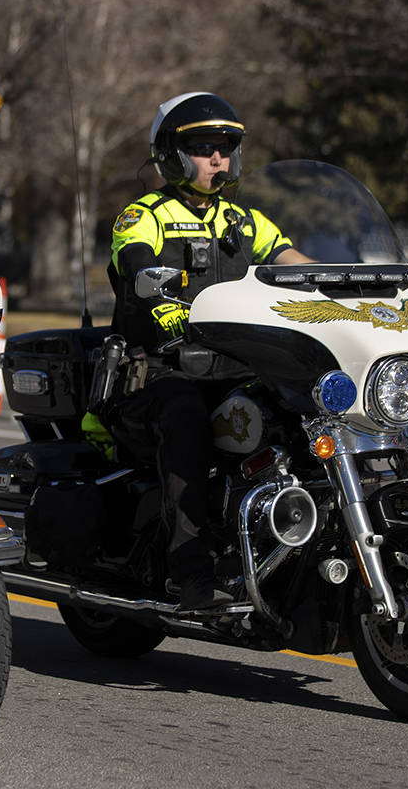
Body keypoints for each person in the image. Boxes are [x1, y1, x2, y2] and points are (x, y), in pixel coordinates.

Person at [102, 91, 312, 609]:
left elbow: (299, 265)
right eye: (201, 146)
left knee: (301, 409)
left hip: (231, 369)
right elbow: (136, 265)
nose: (217, 157)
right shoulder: (141, 216)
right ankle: (188, 571)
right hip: (154, 374)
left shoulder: (244, 223)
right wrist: (165, 302)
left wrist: (351, 286)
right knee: (187, 415)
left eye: (224, 146)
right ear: (171, 154)